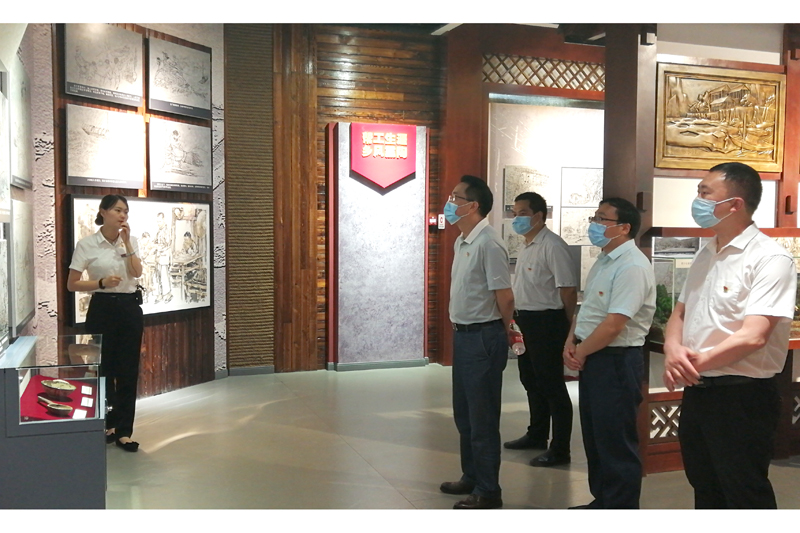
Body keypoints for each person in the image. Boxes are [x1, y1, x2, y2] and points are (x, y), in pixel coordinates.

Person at [663, 162, 796, 509]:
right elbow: (680, 313)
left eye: (705, 192)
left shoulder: (770, 258)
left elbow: (754, 336)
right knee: (704, 486)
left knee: (744, 491)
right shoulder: (706, 252)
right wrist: (673, 349)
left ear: (735, 204)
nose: (697, 199)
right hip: (699, 391)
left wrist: (692, 364)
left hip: (742, 397)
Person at [563, 197, 655, 509]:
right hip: (593, 355)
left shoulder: (632, 266)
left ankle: (620, 509)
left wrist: (581, 352)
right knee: (596, 436)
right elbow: (588, 308)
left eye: (602, 219)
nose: (595, 224)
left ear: (624, 227)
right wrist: (571, 341)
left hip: (616, 361)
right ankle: (602, 500)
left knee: (616, 440)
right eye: (595, 217)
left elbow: (615, 324)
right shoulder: (604, 260)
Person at [439, 175, 515, 510]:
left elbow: (505, 296)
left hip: (483, 337)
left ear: (473, 205)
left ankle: (488, 490)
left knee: (482, 419)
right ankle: (471, 476)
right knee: (465, 415)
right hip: (464, 335)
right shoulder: (463, 240)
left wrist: (505, 332)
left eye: (455, 198)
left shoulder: (489, 243)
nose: (449, 202)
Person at [504, 192, 577, 468]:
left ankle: (560, 448)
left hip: (548, 322)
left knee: (551, 385)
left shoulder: (553, 246)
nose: (517, 218)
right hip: (526, 321)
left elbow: (567, 289)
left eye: (522, 213)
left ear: (538, 216)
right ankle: (536, 434)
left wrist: (566, 326)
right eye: (515, 213)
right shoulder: (527, 245)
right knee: (530, 380)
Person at [67, 194, 144, 452]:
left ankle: (124, 431)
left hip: (129, 308)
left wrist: (128, 243)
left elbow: (137, 272)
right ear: (103, 212)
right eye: (118, 210)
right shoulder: (87, 244)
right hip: (102, 308)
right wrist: (100, 283)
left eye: (125, 211)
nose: (123, 215)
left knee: (128, 370)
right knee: (104, 368)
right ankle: (108, 423)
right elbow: (72, 284)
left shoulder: (130, 241)